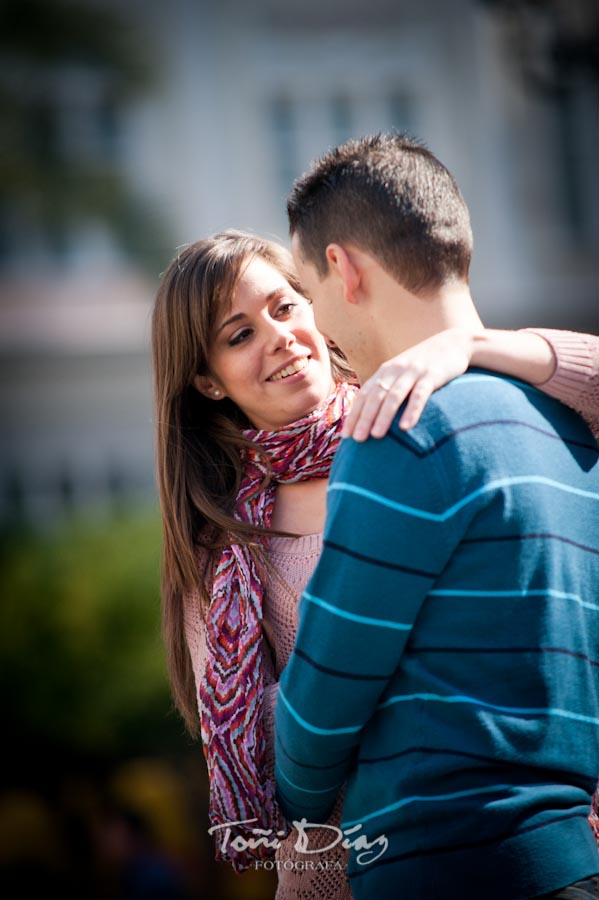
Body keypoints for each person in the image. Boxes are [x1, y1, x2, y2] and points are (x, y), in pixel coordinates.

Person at [151, 229, 599, 900]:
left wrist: (471, 345)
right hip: (347, 877)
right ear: (208, 381)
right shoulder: (223, 551)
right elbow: (258, 740)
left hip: (536, 842)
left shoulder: (420, 419)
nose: (278, 336)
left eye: (284, 306)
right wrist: (371, 636)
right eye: (238, 335)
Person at [274, 134, 599, 900]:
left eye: (306, 289)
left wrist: (295, 797)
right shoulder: (569, 431)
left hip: (449, 865)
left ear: (344, 270)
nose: (316, 324)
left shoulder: (397, 426)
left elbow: (325, 695)